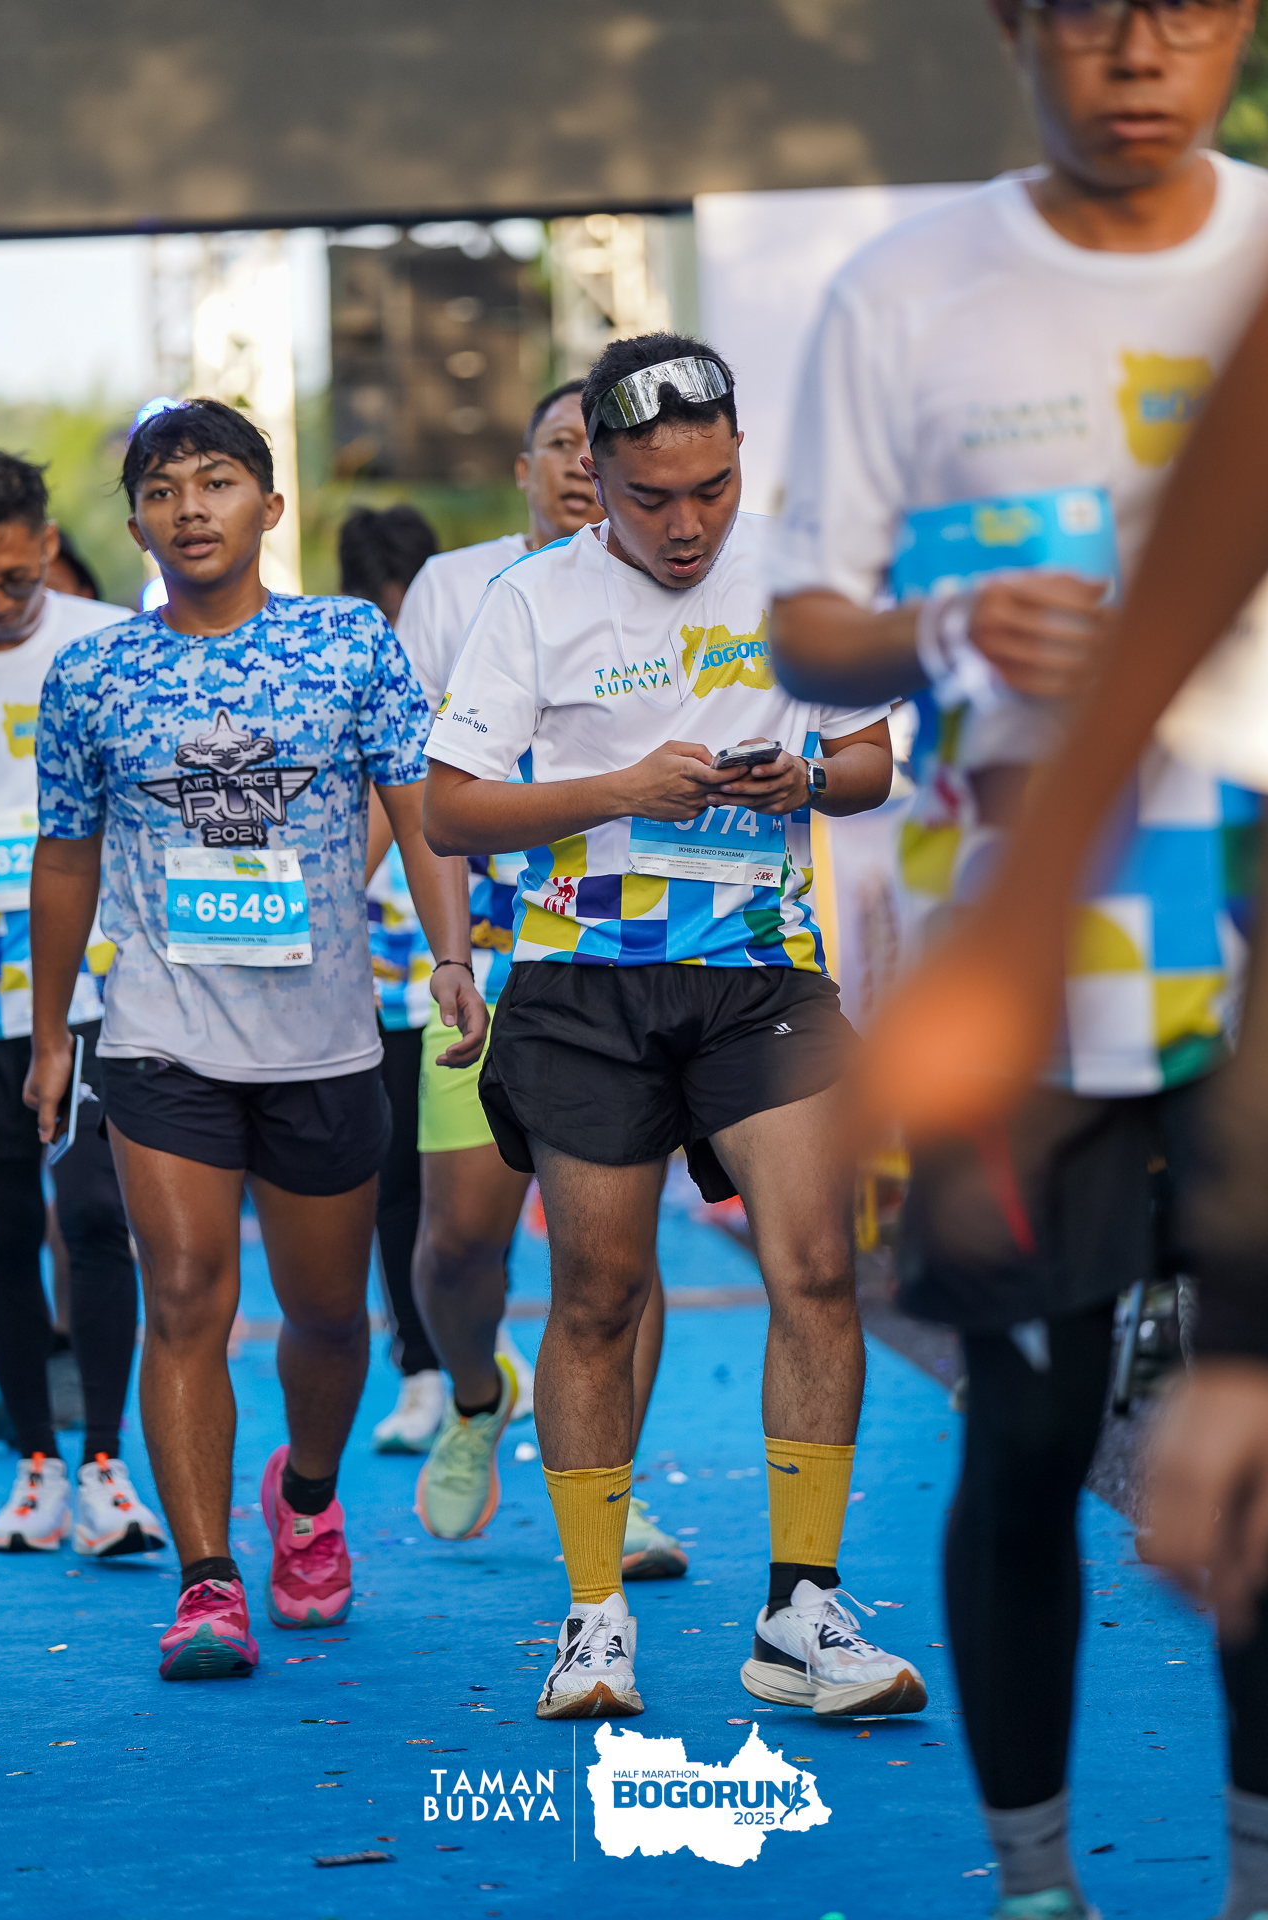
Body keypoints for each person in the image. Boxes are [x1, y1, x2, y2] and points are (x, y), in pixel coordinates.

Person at [768, 4, 1264, 1916]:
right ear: (1011, 25)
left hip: (1253, 949)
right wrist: (949, 622)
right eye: (1086, 8)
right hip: (1024, 970)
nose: (1138, 52)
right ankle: (1038, 1883)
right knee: (1037, 1429)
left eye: (1187, 6)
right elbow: (808, 628)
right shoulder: (907, 292)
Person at [422, 332, 921, 1723]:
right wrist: (620, 786)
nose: (687, 523)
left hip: (760, 974)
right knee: (598, 1292)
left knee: (816, 1265)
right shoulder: (532, 600)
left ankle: (800, 1610)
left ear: (740, 458)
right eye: (650, 497)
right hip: (583, 983)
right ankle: (594, 1618)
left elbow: (869, 763)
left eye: (711, 487)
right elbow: (451, 808)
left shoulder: (804, 584)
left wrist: (804, 779)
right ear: (594, 473)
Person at [26, 397, 487, 1682]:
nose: (192, 509)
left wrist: (451, 959)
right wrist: (55, 1032)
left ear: (270, 506)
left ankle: (306, 1496)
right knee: (184, 1296)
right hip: (160, 1033)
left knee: (329, 1319)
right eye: (163, 491)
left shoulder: (346, 644)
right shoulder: (94, 674)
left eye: (218, 482)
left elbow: (418, 804)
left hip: (323, 1037)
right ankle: (206, 1583)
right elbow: (65, 856)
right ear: (135, 525)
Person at [390, 379, 682, 1575]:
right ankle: (475, 1392)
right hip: (492, 959)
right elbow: (418, 788)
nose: (575, 464)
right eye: (557, 443)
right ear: (524, 468)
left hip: (625, 954)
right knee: (460, 1242)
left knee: (613, 1252)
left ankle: (617, 1487)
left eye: (591, 445)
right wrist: (450, 954)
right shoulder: (455, 588)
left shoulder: (679, 588)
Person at [0, 450, 162, 1558]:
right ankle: (36, 1466)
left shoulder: (108, 645)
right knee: (0, 1231)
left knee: (97, 1214)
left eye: (13, 578)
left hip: (96, 973)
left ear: (48, 545)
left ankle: (105, 1464)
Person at [334, 504, 452, 1455]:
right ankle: (419, 1367)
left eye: (411, 602)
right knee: (393, 1176)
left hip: (473, 957)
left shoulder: (474, 655)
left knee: (479, 1182)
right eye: (384, 606)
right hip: (374, 968)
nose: (401, 625)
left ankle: (475, 1343)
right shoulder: (341, 673)